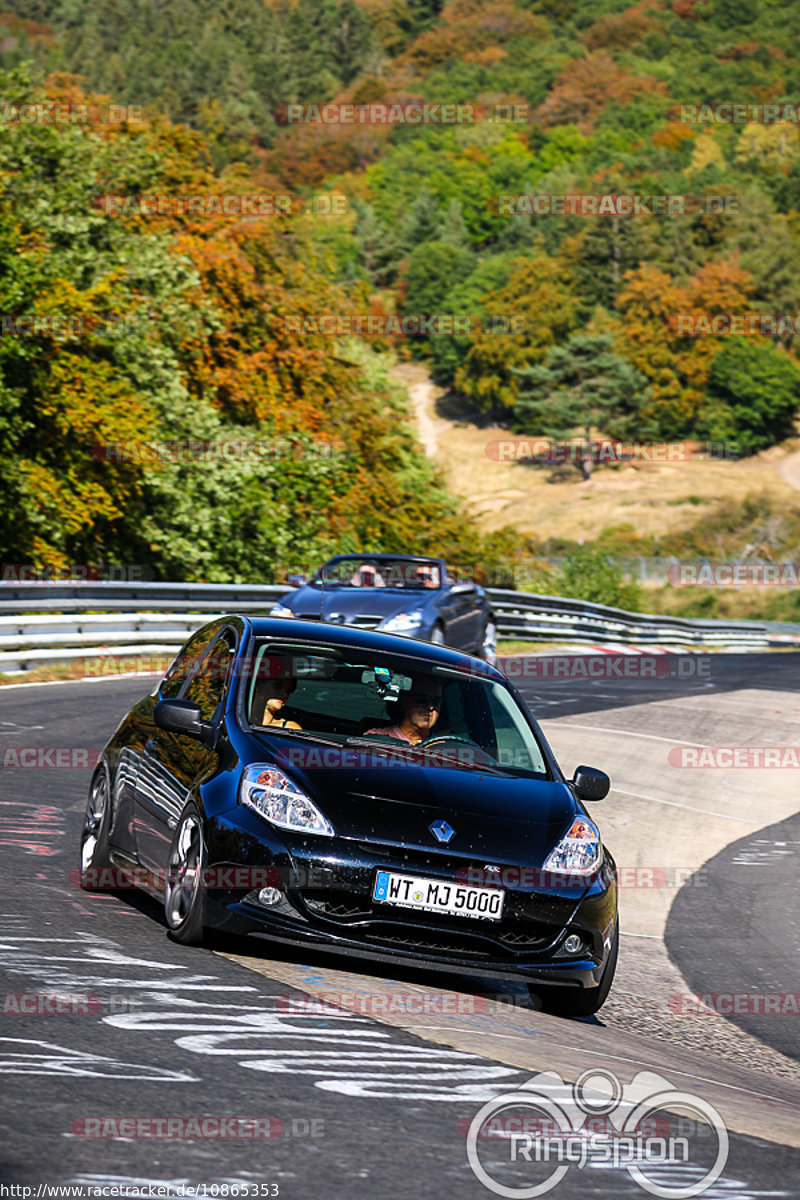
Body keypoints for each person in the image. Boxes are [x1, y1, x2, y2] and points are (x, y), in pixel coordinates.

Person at [362, 676, 442, 745]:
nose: (430, 707)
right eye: (422, 700)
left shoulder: (443, 747)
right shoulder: (377, 739)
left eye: (436, 701)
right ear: (405, 702)